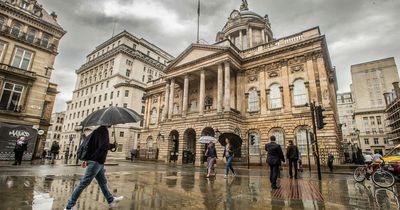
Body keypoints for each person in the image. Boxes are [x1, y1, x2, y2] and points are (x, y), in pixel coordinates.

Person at [65, 126, 123, 210]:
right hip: (96, 162)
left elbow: (99, 145)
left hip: (98, 162)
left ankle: (110, 200)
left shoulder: (98, 131)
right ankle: (69, 206)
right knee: (83, 183)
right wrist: (112, 145)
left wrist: (111, 145)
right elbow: (103, 146)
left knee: (103, 182)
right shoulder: (103, 130)